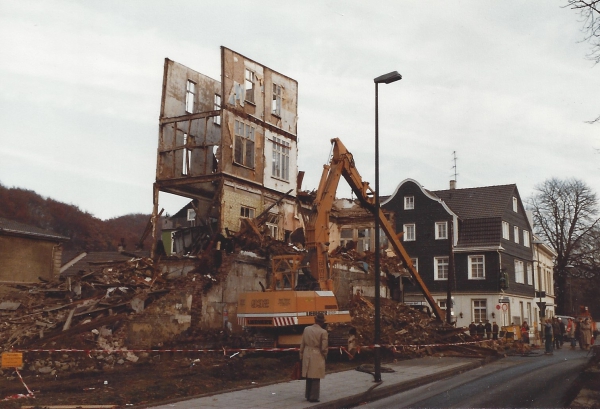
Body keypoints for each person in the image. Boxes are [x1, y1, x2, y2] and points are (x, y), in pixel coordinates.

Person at [300, 312, 328, 403]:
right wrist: (325, 355)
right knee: (316, 376)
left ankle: (307, 395)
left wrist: (301, 354)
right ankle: (314, 397)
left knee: (308, 375)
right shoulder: (323, 332)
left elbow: (302, 343)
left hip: (307, 352)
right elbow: (324, 347)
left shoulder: (306, 329)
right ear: (322, 322)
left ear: (315, 320)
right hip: (317, 353)